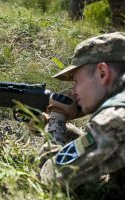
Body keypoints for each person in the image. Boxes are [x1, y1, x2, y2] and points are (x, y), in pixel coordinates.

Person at [38, 32, 125, 190]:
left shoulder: (114, 119)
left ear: (102, 73)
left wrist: (56, 119)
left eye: (76, 81)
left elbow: (52, 176)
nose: (73, 91)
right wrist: (65, 129)